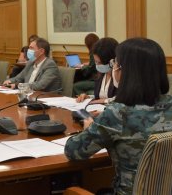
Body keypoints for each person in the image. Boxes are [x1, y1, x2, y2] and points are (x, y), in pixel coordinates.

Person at [65, 38, 172, 195]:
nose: (113, 68)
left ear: (125, 71)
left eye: (116, 63)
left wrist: (88, 128)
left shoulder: (118, 113)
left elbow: (73, 151)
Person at [76, 37, 118, 105]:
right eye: (95, 62)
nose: (97, 65)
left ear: (112, 61)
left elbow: (123, 100)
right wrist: (88, 97)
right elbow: (100, 97)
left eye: (99, 62)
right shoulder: (102, 74)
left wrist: (104, 101)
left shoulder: (120, 75)